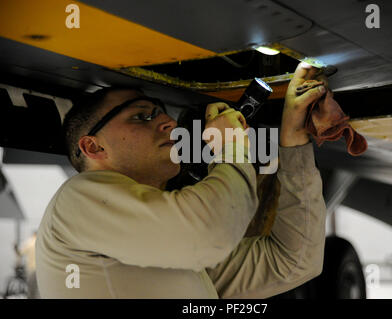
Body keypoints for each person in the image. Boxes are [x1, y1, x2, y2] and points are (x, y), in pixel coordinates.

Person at [35, 62, 327, 298]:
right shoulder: (77, 200)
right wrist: (229, 146)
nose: (169, 123)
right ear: (93, 147)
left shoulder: (172, 246)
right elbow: (211, 231)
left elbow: (293, 262)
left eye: (160, 112)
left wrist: (294, 141)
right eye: (142, 116)